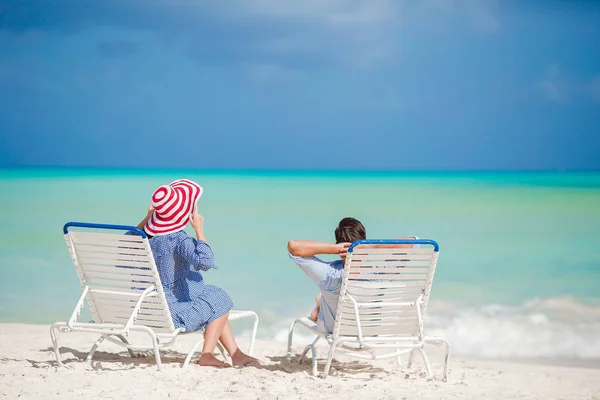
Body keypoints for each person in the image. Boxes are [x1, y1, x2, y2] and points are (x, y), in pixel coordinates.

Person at [132, 179, 259, 368]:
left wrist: (149, 217)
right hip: (173, 314)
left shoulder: (141, 239)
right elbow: (206, 261)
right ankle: (207, 354)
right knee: (219, 297)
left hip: (146, 310)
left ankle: (236, 354)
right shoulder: (179, 240)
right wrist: (199, 229)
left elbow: (131, 235)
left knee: (212, 297)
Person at [287, 217, 417, 334]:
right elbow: (414, 241)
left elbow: (293, 247)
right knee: (324, 298)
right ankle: (319, 303)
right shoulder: (380, 272)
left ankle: (318, 305)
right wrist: (372, 246)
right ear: (364, 242)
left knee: (323, 298)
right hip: (370, 331)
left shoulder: (328, 273)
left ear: (339, 243)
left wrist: (335, 249)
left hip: (335, 330)